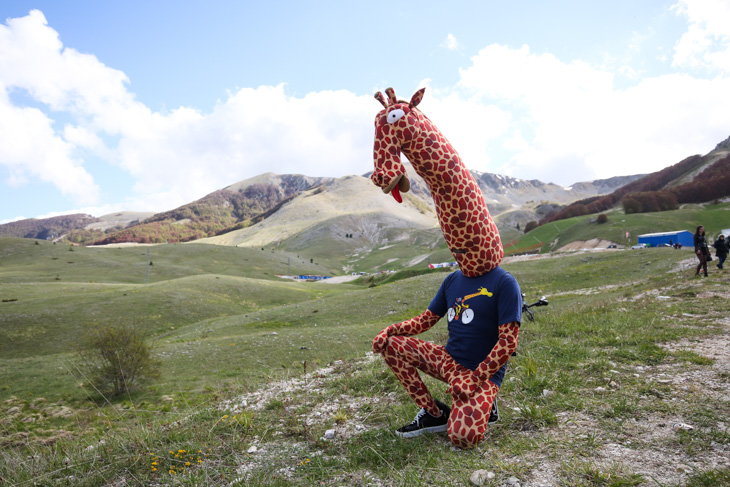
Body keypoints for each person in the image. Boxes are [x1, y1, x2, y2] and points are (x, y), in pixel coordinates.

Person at [372, 267, 522, 449]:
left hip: (481, 373)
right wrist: (389, 331)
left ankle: (488, 404)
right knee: (390, 344)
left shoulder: (505, 282)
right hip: (448, 360)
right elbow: (425, 320)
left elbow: (508, 343)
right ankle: (434, 414)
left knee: (463, 438)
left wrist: (475, 380)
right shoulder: (453, 279)